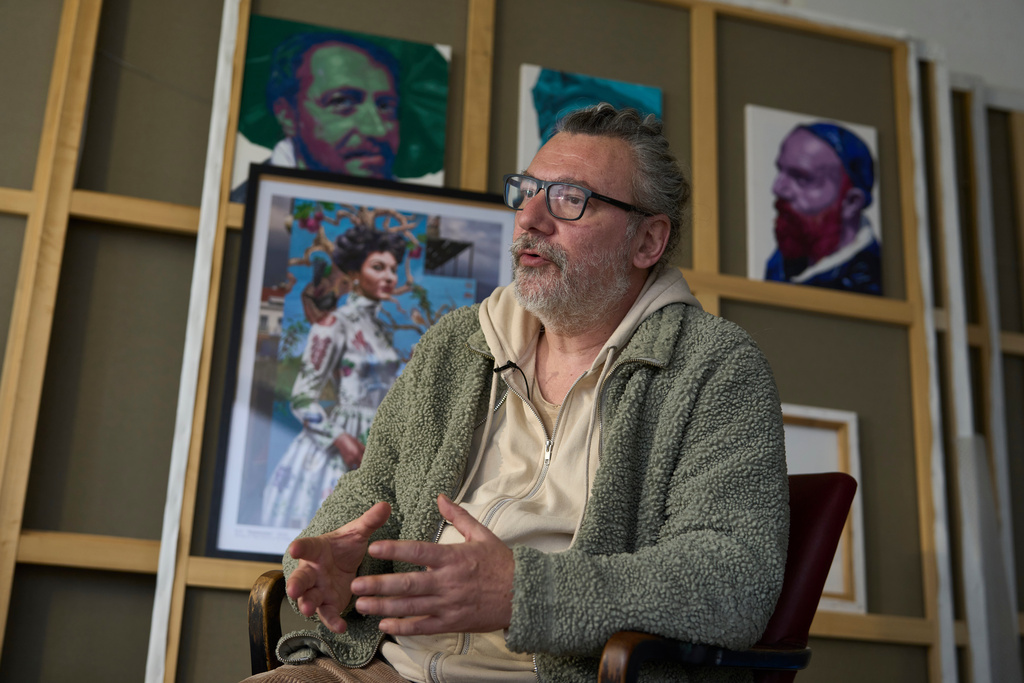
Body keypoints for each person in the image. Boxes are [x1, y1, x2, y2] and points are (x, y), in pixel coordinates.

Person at [244, 104, 789, 683]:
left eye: (569, 199)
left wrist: (524, 593)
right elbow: (373, 490)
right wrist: (339, 560)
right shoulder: (456, 344)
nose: (530, 218)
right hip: (387, 669)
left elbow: (733, 577)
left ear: (648, 241)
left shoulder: (715, 367)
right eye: (527, 191)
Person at [261, 225, 407, 529]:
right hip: (341, 446)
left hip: (380, 444)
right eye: (378, 267)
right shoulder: (333, 324)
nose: (389, 277)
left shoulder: (379, 330)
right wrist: (340, 440)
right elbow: (301, 398)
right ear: (355, 272)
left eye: (393, 269)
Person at [231, 32, 402, 201]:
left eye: (385, 106)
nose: (377, 130)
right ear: (287, 116)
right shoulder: (240, 210)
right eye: (342, 102)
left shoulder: (417, 214)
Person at [765, 122, 881, 295]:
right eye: (780, 170)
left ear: (852, 202)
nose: (778, 188)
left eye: (801, 178)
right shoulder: (783, 260)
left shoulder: (865, 285)